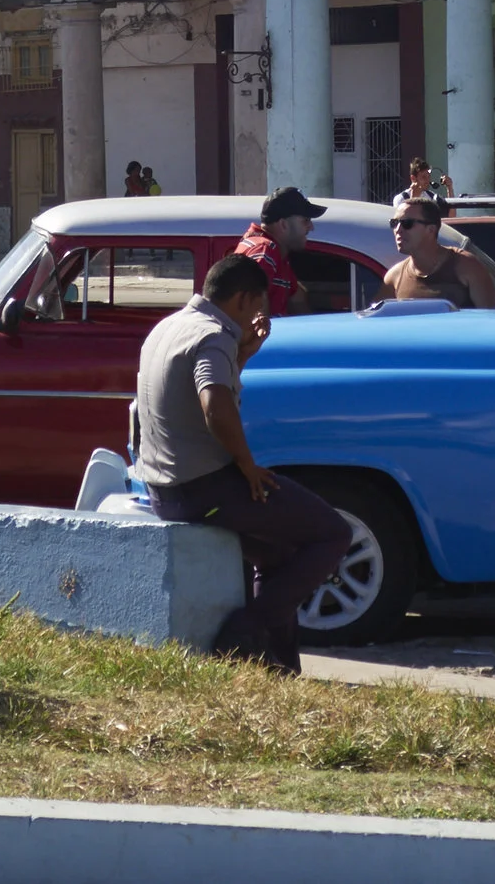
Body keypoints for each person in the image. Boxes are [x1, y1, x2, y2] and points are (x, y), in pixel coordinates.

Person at [133, 252, 351, 675]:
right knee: (332, 534)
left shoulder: (171, 326)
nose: (259, 313)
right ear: (244, 298)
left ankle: (278, 668)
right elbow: (214, 404)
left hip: (166, 490)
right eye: (258, 304)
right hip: (205, 490)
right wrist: (247, 466)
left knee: (278, 556)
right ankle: (244, 631)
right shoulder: (214, 335)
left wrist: (246, 352)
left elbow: (198, 390)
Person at [382, 195, 495, 309]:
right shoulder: (394, 277)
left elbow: (490, 320)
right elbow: (374, 321)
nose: (398, 230)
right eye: (394, 223)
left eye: (407, 223)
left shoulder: (466, 266)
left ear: (431, 230)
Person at [236, 186, 325, 318]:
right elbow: (254, 305)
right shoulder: (264, 250)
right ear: (283, 224)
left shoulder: (276, 254)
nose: (311, 227)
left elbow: (297, 298)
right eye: (305, 221)